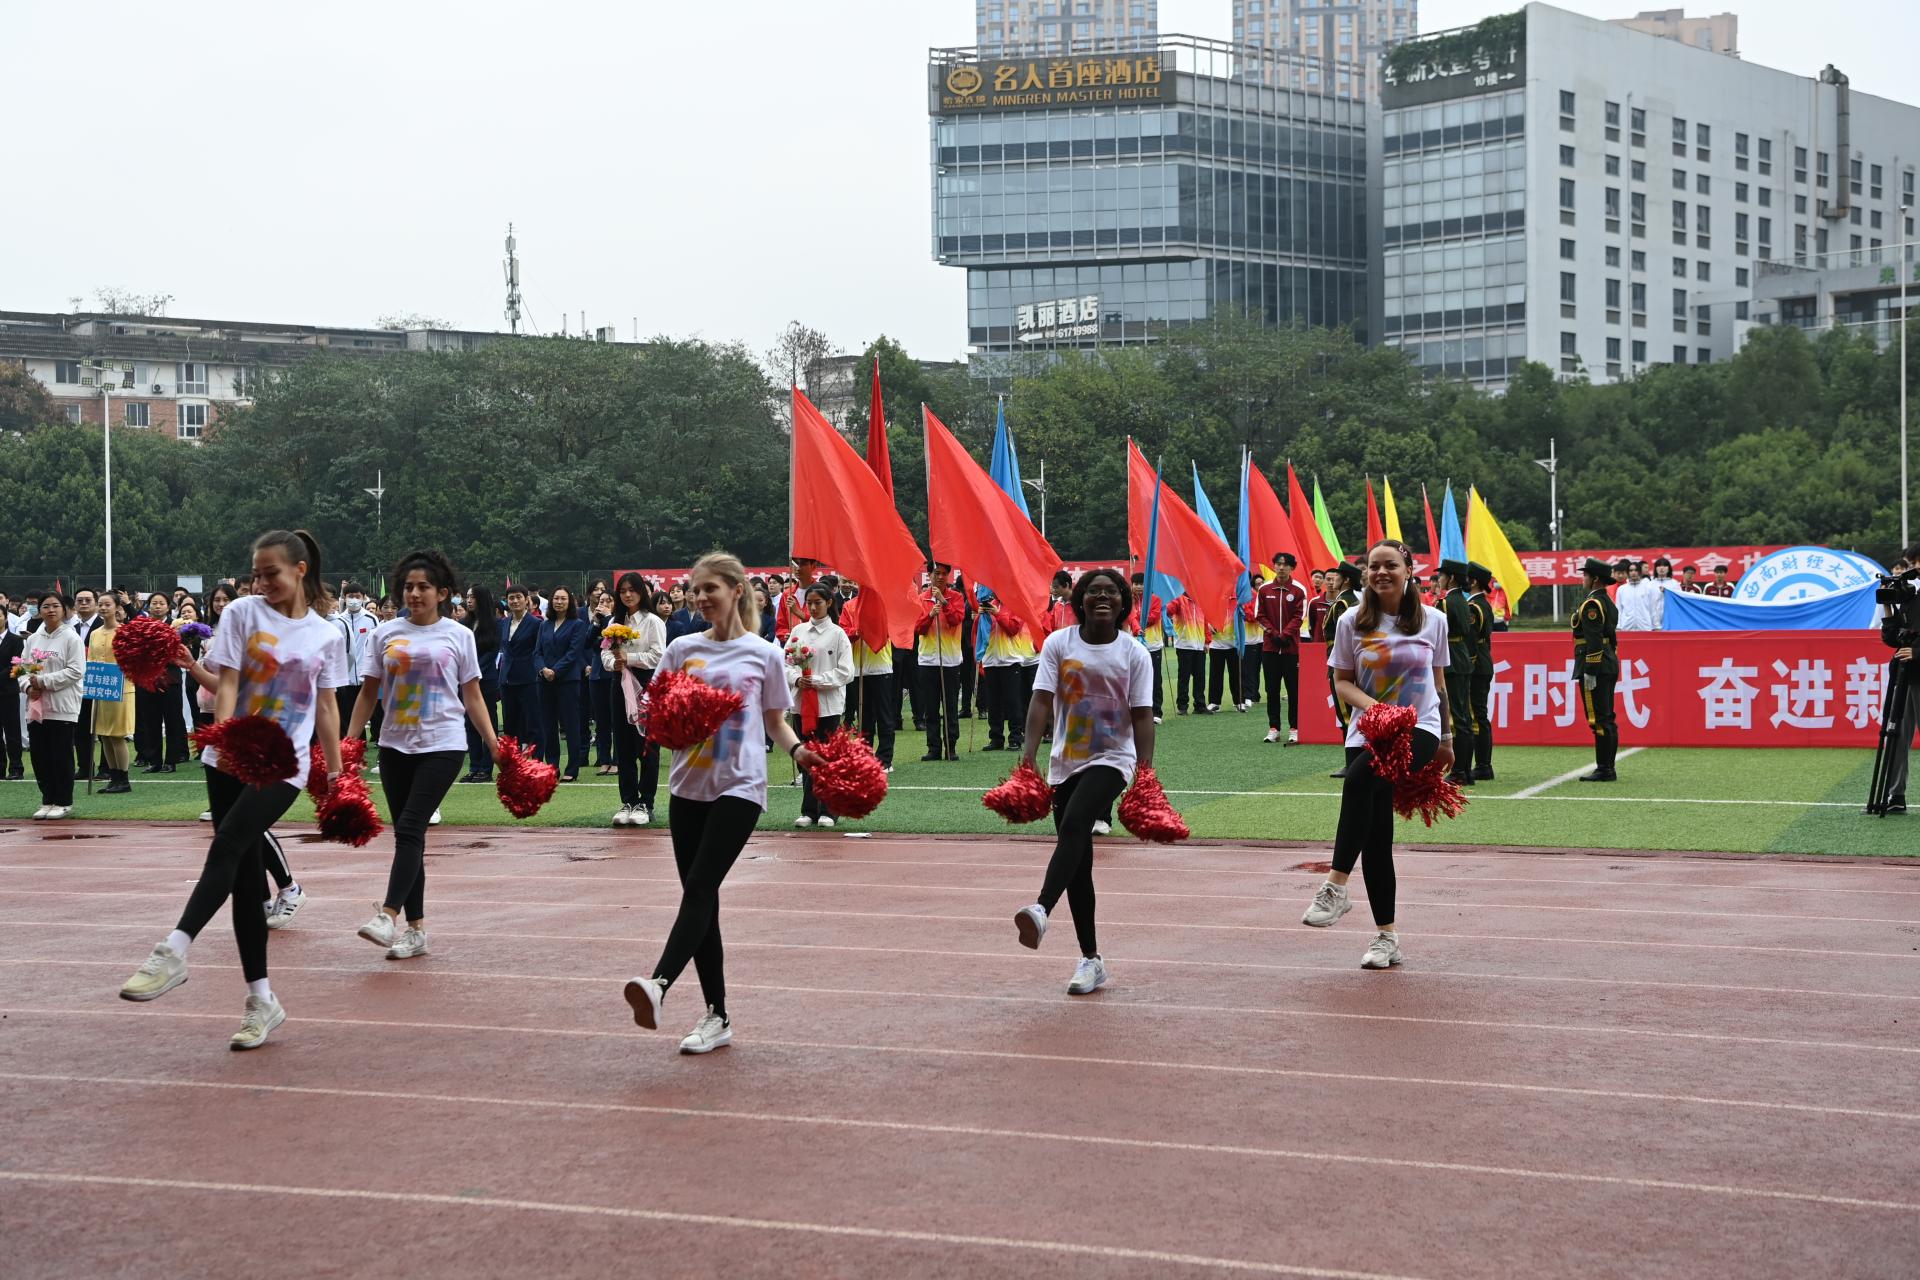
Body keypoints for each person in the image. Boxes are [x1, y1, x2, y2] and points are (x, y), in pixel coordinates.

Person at [118, 529, 347, 1050]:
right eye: (256, 574)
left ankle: (173, 950)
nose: (262, 582)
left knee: (228, 844)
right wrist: (224, 737)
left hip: (284, 762)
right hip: (227, 755)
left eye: (272, 573)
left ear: (300, 570)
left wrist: (336, 774)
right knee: (245, 884)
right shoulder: (243, 613)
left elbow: (326, 706)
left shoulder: (326, 635)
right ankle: (261, 1000)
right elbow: (226, 682)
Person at [622, 552, 824, 1054]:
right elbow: (655, 710)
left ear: (737, 590)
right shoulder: (681, 648)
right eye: (695, 590)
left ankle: (659, 983)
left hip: (740, 785)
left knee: (699, 886)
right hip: (687, 785)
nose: (700, 597)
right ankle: (718, 1016)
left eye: (709, 588)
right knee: (701, 898)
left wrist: (798, 751)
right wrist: (664, 722)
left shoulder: (764, 653)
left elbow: (774, 721)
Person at [1300, 539, 1455, 971]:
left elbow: (1439, 685)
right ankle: (1387, 936)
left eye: (1390, 565)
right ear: (1366, 573)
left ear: (1408, 570)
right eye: (1373, 566)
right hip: (1366, 730)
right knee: (1376, 837)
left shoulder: (1435, 621)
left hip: (1420, 727)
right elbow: (1342, 681)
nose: (1381, 572)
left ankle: (1335, 885)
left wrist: (1446, 738)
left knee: (1357, 779)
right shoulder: (1351, 620)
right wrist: (1378, 711)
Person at [346, 550, 497, 961]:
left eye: (423, 587)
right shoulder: (383, 634)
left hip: (443, 744)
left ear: (442, 593)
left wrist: (493, 744)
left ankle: (388, 915)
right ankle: (416, 931)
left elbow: (473, 695)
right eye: (408, 587)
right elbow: (368, 693)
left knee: (411, 828)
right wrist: (350, 742)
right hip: (394, 745)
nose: (414, 594)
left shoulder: (458, 635)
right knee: (407, 836)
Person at [1010, 567, 1154, 997]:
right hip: (1065, 761)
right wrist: (1029, 756)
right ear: (1080, 600)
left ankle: (1041, 908)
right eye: (1094, 591)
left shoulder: (1135, 653)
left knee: (1075, 825)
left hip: (1114, 758)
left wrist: (1145, 772)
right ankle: (1091, 959)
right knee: (1078, 866)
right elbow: (1041, 701)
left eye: (1112, 592)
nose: (1103, 597)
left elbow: (1142, 715)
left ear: (1123, 603)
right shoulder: (1059, 643)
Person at [785, 584, 854, 828]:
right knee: (805, 756)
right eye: (810, 603)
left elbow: (846, 672)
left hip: (828, 705)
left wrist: (816, 680)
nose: (813, 608)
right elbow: (785, 663)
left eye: (818, 603)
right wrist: (796, 679)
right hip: (801, 703)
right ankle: (809, 810)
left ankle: (829, 810)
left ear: (829, 603)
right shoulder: (798, 630)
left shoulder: (838, 634)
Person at [605, 572, 666, 826]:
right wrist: (614, 664)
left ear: (642, 591)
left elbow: (658, 655)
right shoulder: (614, 621)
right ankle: (628, 801)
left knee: (647, 745)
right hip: (620, 684)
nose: (627, 595)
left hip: (646, 684)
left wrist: (628, 659)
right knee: (623, 744)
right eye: (622, 591)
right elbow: (605, 653)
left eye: (632, 590)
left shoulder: (652, 621)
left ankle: (646, 803)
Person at [21, 591, 86, 819]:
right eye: (46, 606)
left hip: (62, 706)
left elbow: (76, 671)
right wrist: (28, 687)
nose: (51, 610)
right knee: (40, 756)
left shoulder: (71, 638)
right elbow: (22, 669)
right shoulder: (33, 639)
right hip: (36, 707)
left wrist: (43, 681)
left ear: (63, 609)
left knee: (61, 755)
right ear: (40, 611)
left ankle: (63, 801)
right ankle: (47, 799)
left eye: (55, 606)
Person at [1875, 545, 1920, 813]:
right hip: (1904, 675)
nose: (1914, 568)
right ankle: (1895, 795)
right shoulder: (1909, 597)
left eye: (1916, 562)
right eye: (1911, 563)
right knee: (1896, 735)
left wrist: (1917, 652)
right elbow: (1892, 639)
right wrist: (1888, 607)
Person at [1573, 557, 1622, 782]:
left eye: (1585, 575)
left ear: (1594, 579)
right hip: (1608, 662)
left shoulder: (1592, 604)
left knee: (1599, 719)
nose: (1582, 579)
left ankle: (1604, 769)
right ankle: (1607, 767)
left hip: (1596, 665)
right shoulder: (1607, 602)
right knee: (1607, 717)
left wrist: (1591, 669)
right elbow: (1612, 639)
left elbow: (1593, 640)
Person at [1253, 551, 1309, 744]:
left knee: (1294, 690)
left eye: (1285, 564)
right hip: (1270, 648)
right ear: (1274, 566)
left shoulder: (1299, 590)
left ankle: (1295, 728)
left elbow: (1299, 616)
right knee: (1272, 690)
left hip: (1291, 648)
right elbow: (1259, 615)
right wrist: (1272, 633)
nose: (1281, 567)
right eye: (1278, 564)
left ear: (1292, 568)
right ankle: (1274, 728)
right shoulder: (1264, 589)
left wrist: (1284, 635)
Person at [85, 594, 136, 795]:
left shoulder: (125, 632)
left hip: (121, 687)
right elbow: (91, 659)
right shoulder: (95, 633)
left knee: (117, 735)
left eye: (108, 604)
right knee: (104, 735)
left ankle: (123, 779)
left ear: (117, 607)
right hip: (101, 688)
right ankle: (114, 777)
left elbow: (132, 661)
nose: (103, 608)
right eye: (101, 604)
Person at [915, 562, 967, 761]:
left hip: (950, 660)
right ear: (929, 575)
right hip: (928, 660)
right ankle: (933, 748)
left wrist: (944, 603)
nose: (940, 577)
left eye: (944, 574)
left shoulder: (957, 597)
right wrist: (930, 615)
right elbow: (917, 628)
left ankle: (951, 747)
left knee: (950, 706)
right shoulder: (921, 599)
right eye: (936, 573)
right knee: (931, 707)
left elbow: (956, 620)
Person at [537, 585, 588, 781]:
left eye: (563, 598)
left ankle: (572, 769)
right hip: (544, 681)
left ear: (570, 602)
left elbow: (573, 653)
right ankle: (552, 766)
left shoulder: (577, 624)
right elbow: (537, 652)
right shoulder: (544, 625)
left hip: (568, 681)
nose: (559, 602)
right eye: (556, 598)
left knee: (570, 724)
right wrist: (543, 669)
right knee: (548, 726)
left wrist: (555, 671)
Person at [134, 591, 188, 772]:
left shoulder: (177, 626)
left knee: (172, 720)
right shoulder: (142, 626)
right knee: (150, 721)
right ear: (148, 606)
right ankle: (154, 761)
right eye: (154, 603)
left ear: (168, 606)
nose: (157, 606)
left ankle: (171, 760)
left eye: (161, 603)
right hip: (147, 680)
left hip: (170, 680)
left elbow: (181, 651)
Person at [1436, 561, 1477, 789]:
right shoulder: (1462, 600)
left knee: (1455, 717)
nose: (1439, 579)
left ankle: (1459, 770)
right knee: (1464, 717)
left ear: (1451, 577)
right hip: (1461, 656)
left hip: (1450, 659)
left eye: (1442, 575)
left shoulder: (1446, 602)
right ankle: (1465, 770)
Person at [1322, 561, 1363, 778]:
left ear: (1345, 580)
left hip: (1341, 663)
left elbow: (1342, 638)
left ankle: (1352, 764)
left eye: (1337, 576)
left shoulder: (1343, 604)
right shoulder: (1351, 601)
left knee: (1346, 714)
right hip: (1347, 661)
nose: (1332, 580)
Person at [977, 586, 1031, 750]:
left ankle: (1015, 737)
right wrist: (979, 617)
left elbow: (1013, 629)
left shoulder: (1016, 606)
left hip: (1010, 659)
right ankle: (996, 738)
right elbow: (981, 633)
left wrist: (997, 613)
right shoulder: (989, 604)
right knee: (993, 703)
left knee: (1013, 702)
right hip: (990, 660)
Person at [462, 583, 503, 783]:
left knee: (488, 724)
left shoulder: (495, 624)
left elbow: (492, 653)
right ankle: (474, 765)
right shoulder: (464, 623)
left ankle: (486, 768)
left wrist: (474, 672)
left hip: (485, 680)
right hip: (465, 681)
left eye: (473, 597)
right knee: (469, 723)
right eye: (468, 597)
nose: (469, 601)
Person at [330, 581, 379, 733]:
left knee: (365, 713)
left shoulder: (371, 619)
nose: (354, 600)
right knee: (347, 714)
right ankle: (351, 743)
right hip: (346, 677)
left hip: (365, 675)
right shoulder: (339, 620)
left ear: (363, 598)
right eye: (350, 596)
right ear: (344, 598)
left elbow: (375, 646)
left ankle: (366, 741)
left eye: (357, 596)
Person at [499, 584, 544, 748]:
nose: (515, 601)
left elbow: (540, 650)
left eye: (519, 597)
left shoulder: (536, 623)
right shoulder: (504, 623)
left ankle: (536, 760)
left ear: (526, 600)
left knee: (533, 724)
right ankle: (513, 760)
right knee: (510, 724)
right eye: (511, 598)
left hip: (528, 679)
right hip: (506, 680)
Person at [1466, 562, 1497, 782]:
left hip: (1476, 666)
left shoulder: (1474, 607)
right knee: (1479, 715)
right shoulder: (1482, 604)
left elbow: (1471, 642)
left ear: (1474, 581)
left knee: (1476, 717)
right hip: (1482, 664)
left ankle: (1483, 765)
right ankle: (1483, 764)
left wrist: (1467, 666)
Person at [1128, 574, 1166, 723]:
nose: (1138, 587)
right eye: (1135, 584)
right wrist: (1135, 618)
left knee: (1155, 679)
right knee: (1134, 680)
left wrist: (1135, 617)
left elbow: (1152, 618)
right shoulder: (1128, 600)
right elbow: (1127, 617)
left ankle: (1156, 712)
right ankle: (1136, 711)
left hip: (1153, 645)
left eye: (1141, 584)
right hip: (1133, 647)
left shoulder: (1155, 599)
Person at [1167, 591, 1207, 715]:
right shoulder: (1178, 599)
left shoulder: (1201, 600)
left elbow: (1205, 622)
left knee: (1200, 677)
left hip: (1200, 644)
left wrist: (1207, 641)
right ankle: (1182, 706)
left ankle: (1200, 705)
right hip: (1184, 644)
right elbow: (1168, 612)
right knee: (1184, 677)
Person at [1616, 559, 1660, 632]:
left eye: (1636, 570)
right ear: (1628, 573)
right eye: (1631, 570)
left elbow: (1653, 609)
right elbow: (1618, 610)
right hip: (1626, 627)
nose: (1633, 572)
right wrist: (1618, 626)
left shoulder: (1648, 588)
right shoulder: (1621, 589)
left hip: (1645, 627)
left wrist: (1656, 626)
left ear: (1640, 572)